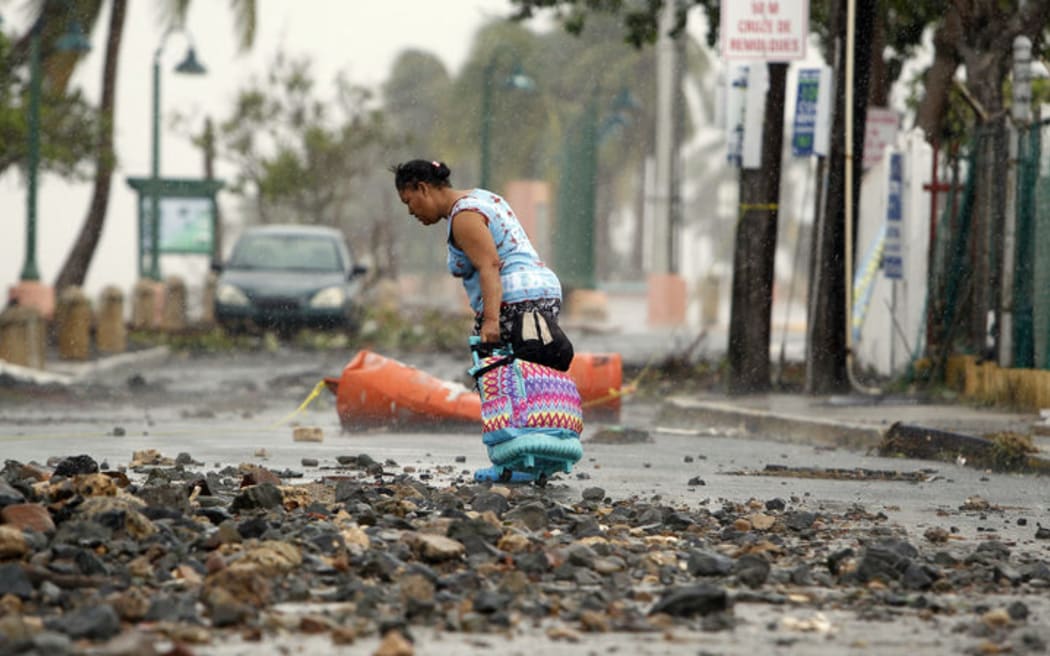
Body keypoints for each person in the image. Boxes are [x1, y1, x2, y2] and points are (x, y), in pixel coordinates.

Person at [391, 159, 573, 371]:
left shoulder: (463, 217)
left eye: (408, 202)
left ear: (423, 188)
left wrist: (491, 321)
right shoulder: (483, 197)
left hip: (512, 300)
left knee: (500, 381)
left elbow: (490, 265)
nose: (411, 212)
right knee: (535, 376)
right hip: (544, 290)